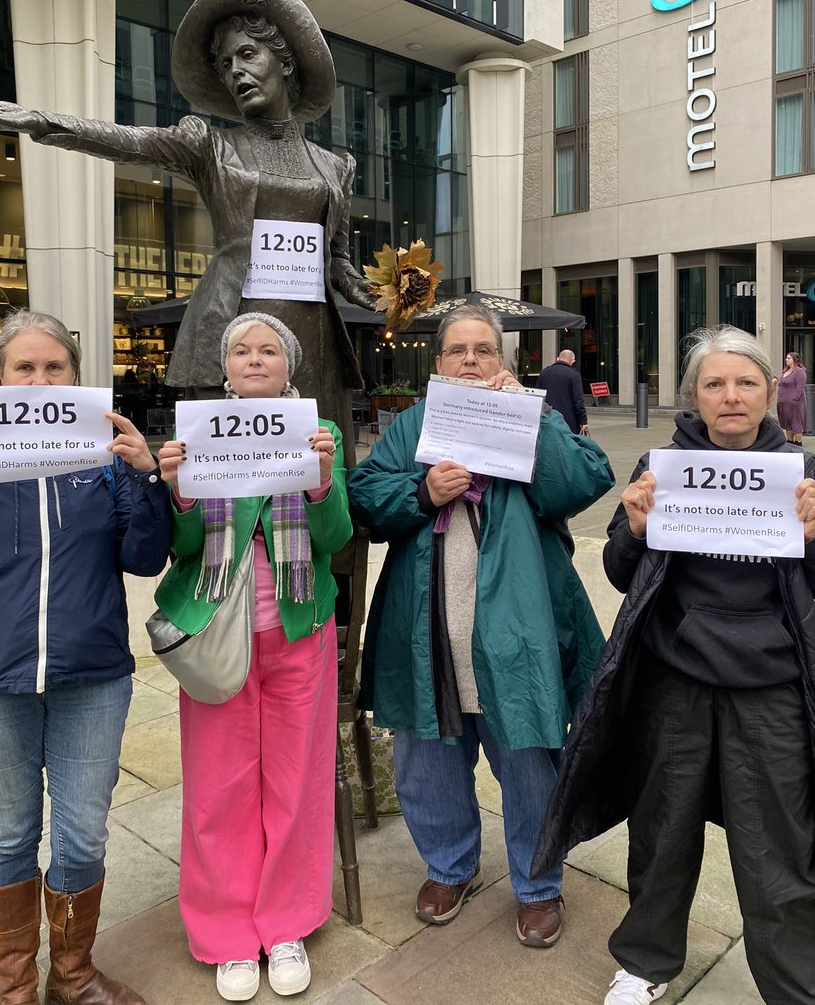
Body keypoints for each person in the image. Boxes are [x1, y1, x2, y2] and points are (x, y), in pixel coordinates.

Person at [0, 0, 375, 460]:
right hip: (230, 330)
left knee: (323, 470)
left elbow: (335, 259)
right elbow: (129, 141)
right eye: (225, 63)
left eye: (248, 54)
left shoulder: (336, 166)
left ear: (287, 63)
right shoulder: (210, 146)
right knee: (228, 475)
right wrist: (44, 122)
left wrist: (372, 288)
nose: (235, 71)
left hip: (313, 335)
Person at [531, 325, 815, 1005]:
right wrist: (630, 527)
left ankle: (795, 982)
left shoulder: (802, 476)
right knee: (661, 830)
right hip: (674, 679)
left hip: (770, 686)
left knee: (780, 847)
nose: (731, 396)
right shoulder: (662, 465)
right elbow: (622, 574)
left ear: (771, 391)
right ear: (694, 394)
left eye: (746, 382)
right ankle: (647, 960)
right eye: (715, 383)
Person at [0, 309, 170, 1005]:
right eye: (23, 367)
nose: (37, 379)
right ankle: (16, 985)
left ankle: (74, 974)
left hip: (91, 677)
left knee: (83, 832)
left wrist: (147, 478)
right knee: (9, 831)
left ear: (73, 379)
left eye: (52, 367)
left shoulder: (102, 462)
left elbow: (145, 559)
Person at [346, 304, 614, 948]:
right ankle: (448, 866)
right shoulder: (410, 425)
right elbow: (365, 496)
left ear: (505, 361)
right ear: (436, 364)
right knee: (425, 759)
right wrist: (421, 491)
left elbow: (584, 480)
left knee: (528, 757)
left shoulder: (532, 415)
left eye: (484, 350)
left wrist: (535, 417)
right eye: (457, 350)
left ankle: (538, 882)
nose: (470, 360)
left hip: (516, 628)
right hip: (427, 628)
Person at [156, 312, 352, 1002]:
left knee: (296, 781)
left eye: (269, 349)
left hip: (300, 626)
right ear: (226, 366)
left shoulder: (316, 432)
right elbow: (180, 546)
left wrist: (323, 478)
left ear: (287, 366)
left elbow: (336, 537)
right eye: (242, 349)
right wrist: (177, 489)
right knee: (219, 785)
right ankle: (228, 933)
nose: (255, 358)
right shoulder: (197, 435)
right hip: (216, 632)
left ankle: (287, 923)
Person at [536, 349, 589, 435]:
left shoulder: (544, 373)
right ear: (572, 361)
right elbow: (578, 400)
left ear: (557, 359)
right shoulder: (574, 375)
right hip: (568, 421)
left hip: (547, 418)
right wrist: (583, 421)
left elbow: (538, 396)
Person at [778, 350, 807, 444]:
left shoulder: (799, 372)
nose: (786, 360)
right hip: (784, 403)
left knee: (796, 422)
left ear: (795, 359)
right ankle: (789, 441)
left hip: (794, 403)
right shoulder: (786, 371)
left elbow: (800, 388)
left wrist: (795, 399)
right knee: (788, 423)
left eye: (789, 358)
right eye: (786, 358)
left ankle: (798, 443)